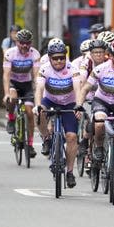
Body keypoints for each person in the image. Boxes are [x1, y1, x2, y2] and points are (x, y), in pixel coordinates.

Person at [76, 39, 114, 193]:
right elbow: (85, 88)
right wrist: (79, 104)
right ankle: (99, 148)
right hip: (102, 101)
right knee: (99, 123)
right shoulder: (101, 69)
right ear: (111, 56)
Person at [35, 39, 82, 188]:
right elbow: (39, 89)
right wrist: (37, 106)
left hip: (69, 103)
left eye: (62, 57)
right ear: (49, 57)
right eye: (55, 58)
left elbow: (78, 89)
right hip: (50, 101)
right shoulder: (44, 69)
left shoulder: (73, 69)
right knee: (39, 113)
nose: (59, 61)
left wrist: (79, 106)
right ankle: (47, 138)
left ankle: (69, 172)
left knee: (72, 137)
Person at [2, 29, 41, 158]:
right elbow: (6, 75)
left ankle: (29, 145)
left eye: (27, 43)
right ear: (16, 42)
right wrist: (6, 93)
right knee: (12, 98)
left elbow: (36, 75)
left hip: (26, 84)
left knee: (30, 113)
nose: (24, 45)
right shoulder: (10, 53)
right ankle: (11, 118)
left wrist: (37, 91)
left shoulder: (34, 54)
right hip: (13, 82)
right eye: (21, 43)